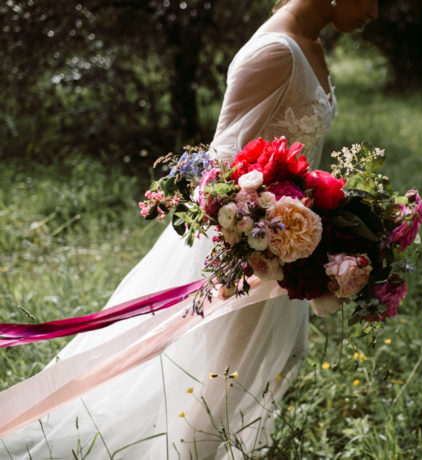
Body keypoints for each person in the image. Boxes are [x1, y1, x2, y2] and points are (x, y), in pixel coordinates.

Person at [0, 0, 378, 458]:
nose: (375, 11)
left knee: (260, 364)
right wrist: (268, 240)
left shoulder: (312, 44)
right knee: (220, 374)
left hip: (291, 240)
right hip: (248, 245)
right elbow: (221, 170)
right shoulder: (275, 52)